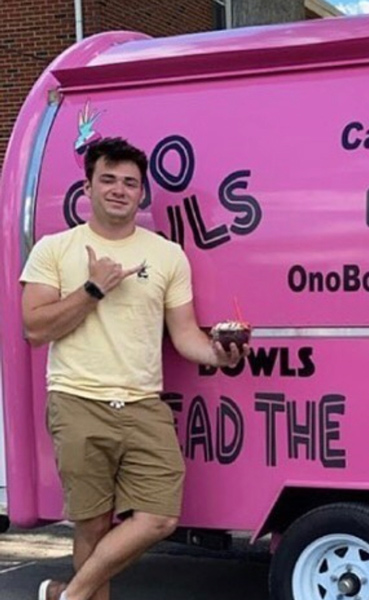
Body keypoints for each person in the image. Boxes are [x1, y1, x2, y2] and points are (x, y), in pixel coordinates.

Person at [20, 137, 247, 600]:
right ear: (88, 186)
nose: (120, 190)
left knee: (159, 517)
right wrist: (93, 289)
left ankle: (69, 595)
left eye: (130, 182)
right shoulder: (55, 249)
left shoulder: (166, 254)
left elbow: (183, 335)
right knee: (92, 524)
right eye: (108, 179)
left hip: (143, 403)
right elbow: (35, 329)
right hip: (77, 399)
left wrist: (218, 355)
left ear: (142, 193)